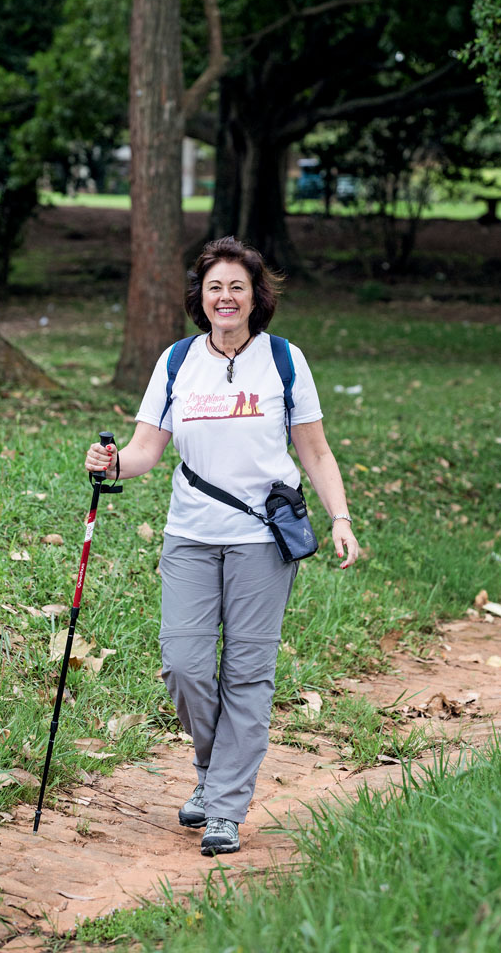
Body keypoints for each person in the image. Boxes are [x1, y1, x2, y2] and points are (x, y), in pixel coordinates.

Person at [84, 236, 359, 857]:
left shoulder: (284, 361)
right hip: (190, 535)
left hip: (262, 539)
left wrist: (340, 517)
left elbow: (313, 449)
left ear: (255, 296)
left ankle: (225, 807)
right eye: (215, 287)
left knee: (247, 674)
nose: (225, 297)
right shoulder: (178, 361)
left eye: (237, 286)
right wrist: (108, 465)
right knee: (183, 664)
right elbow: (146, 452)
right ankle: (213, 775)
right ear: (200, 297)